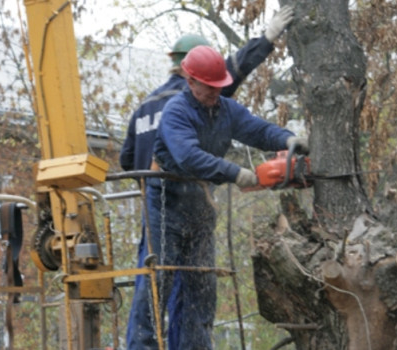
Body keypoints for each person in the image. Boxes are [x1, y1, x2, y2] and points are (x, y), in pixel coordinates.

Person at [122, 6, 295, 349]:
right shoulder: (176, 110)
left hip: (199, 203)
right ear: (190, 80)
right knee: (159, 281)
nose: (217, 92)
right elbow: (187, 155)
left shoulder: (217, 105)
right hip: (166, 204)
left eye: (221, 86)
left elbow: (255, 129)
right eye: (210, 86)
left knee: (202, 285)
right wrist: (236, 173)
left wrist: (288, 138)